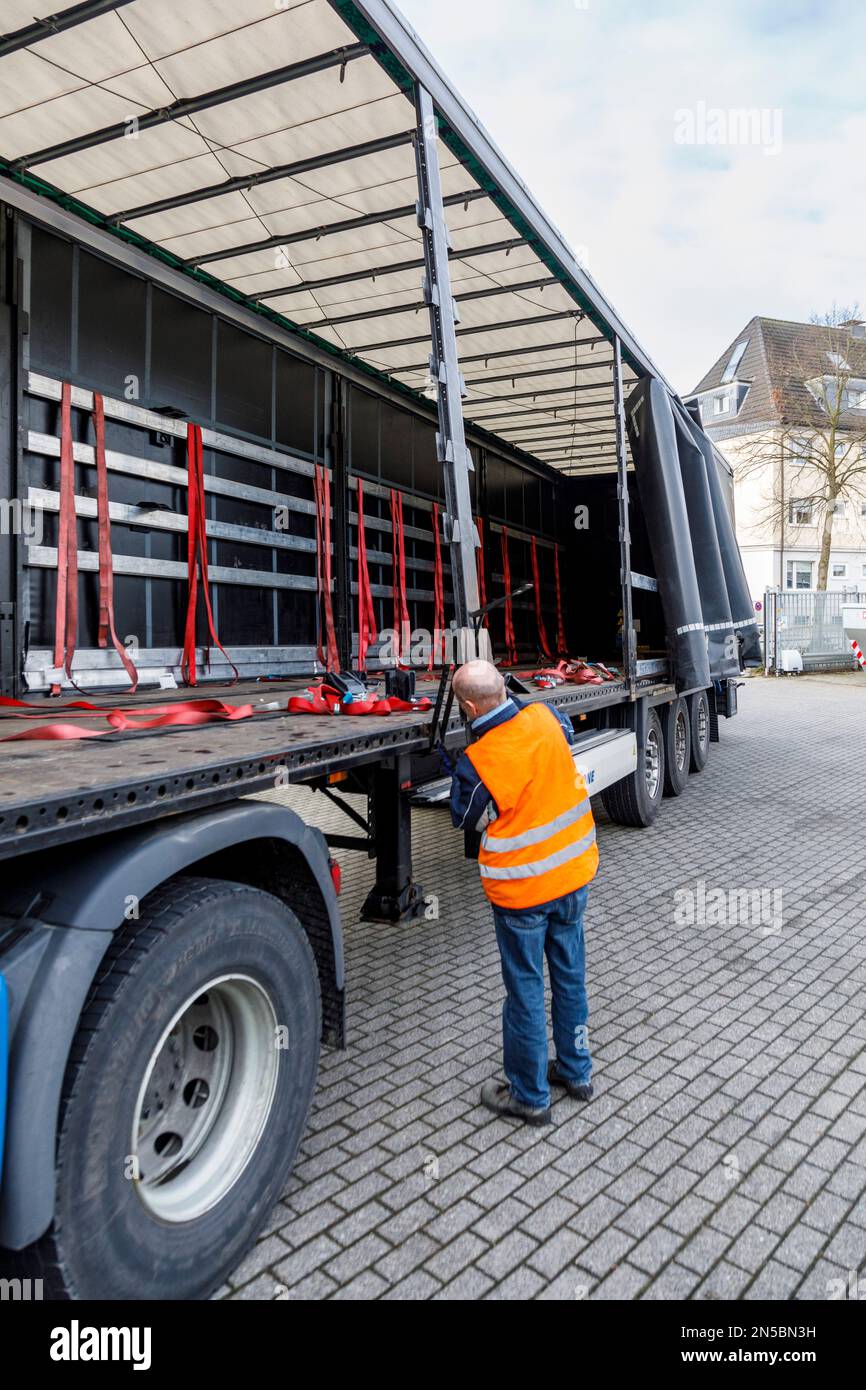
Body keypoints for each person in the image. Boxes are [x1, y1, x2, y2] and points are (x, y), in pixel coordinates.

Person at [447, 659, 598, 1126]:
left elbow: (464, 818)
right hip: (574, 876)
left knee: (526, 990)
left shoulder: (479, 761)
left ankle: (531, 1096)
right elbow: (561, 742)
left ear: (469, 707)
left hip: (524, 893)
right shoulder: (546, 716)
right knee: (570, 975)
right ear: (504, 689)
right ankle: (576, 1072)